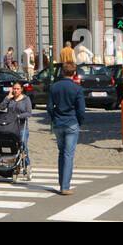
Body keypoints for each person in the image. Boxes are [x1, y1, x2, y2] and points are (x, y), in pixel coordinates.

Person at [49, 60, 86, 194]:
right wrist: (79, 121)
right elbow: (81, 109)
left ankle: (61, 183)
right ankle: (65, 186)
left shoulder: (54, 87)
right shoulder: (77, 88)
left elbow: (49, 107)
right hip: (71, 122)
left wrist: (54, 118)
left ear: (62, 72)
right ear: (74, 73)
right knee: (68, 154)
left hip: (59, 123)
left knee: (61, 153)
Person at [0, 79, 33, 174]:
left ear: (21, 89)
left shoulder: (26, 99)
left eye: (18, 89)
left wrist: (18, 116)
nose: (16, 91)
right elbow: (1, 107)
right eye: (14, 89)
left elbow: (29, 113)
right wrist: (7, 97)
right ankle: (11, 164)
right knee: (11, 147)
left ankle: (27, 164)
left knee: (23, 147)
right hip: (11, 128)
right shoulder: (10, 99)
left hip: (22, 127)